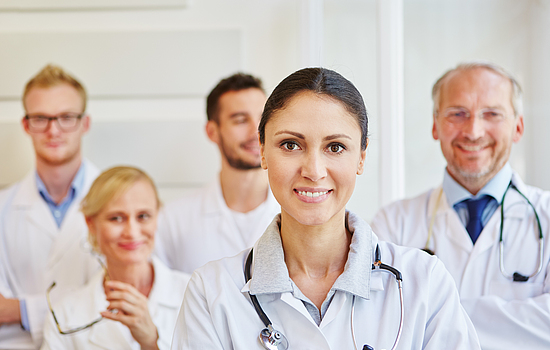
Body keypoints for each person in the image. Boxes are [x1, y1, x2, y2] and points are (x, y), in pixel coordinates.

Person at [171, 68, 480, 349]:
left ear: (361, 157)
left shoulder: (424, 283)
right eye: (291, 145)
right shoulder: (210, 293)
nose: (314, 170)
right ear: (263, 151)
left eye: (335, 147)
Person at [371, 61, 550, 349]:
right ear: (435, 125)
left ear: (518, 127)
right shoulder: (394, 224)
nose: (474, 131)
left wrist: (432, 314)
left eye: (492, 114)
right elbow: (377, 323)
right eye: (458, 114)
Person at [0, 64, 100, 349]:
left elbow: (114, 301)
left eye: (66, 117)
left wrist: (18, 311)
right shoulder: (3, 208)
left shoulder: (120, 205)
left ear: (85, 123)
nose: (53, 130)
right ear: (26, 125)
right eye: (41, 118)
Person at [41, 166, 191, 350]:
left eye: (143, 216)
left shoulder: (195, 295)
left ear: (157, 216)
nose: (132, 232)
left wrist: (151, 342)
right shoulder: (64, 316)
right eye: (116, 218)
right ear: (91, 223)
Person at [154, 73, 280, 274]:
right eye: (240, 120)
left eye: (262, 118)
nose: (256, 131)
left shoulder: (298, 212)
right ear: (212, 131)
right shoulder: (173, 220)